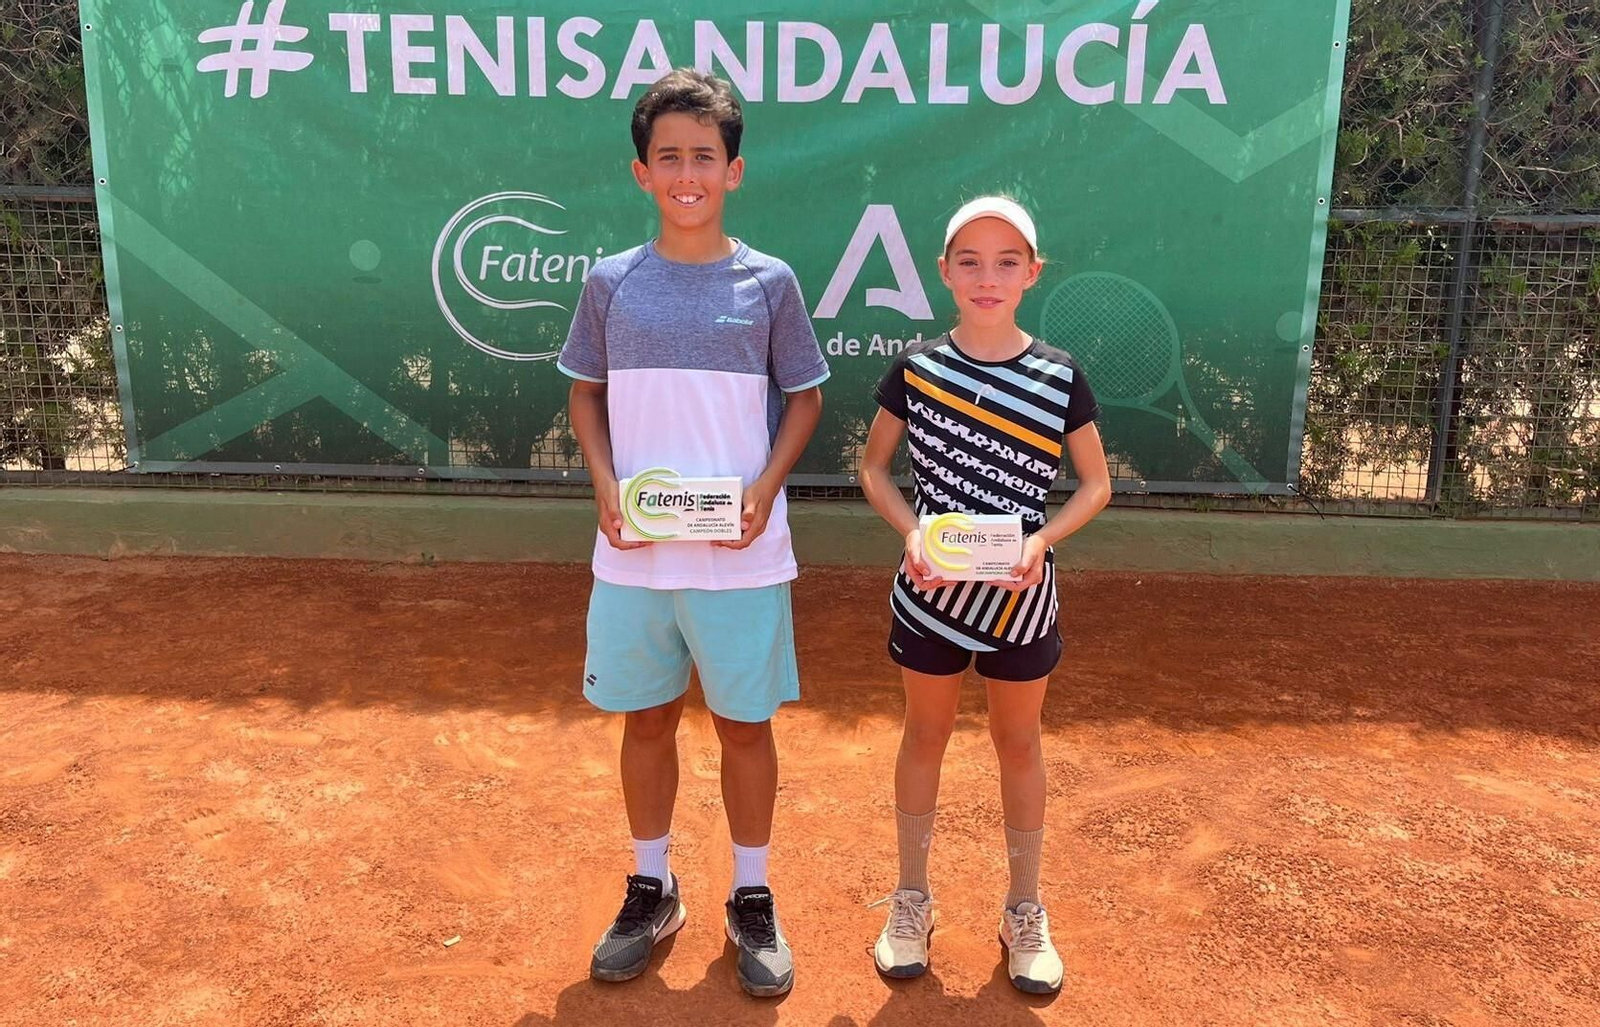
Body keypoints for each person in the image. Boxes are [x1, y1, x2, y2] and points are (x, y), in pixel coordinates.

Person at [556, 68, 828, 998]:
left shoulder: (770, 282)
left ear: (734, 171)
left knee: (745, 728)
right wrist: (602, 482)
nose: (686, 173)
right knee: (647, 719)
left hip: (743, 556)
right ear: (641, 173)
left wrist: (762, 488)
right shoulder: (610, 284)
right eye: (667, 156)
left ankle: (751, 896)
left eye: (703, 157)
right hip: (634, 556)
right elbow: (584, 393)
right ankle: (651, 883)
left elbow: (805, 397)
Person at [857, 196, 1111, 994]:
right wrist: (910, 532)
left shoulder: (1061, 374)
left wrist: (1039, 542)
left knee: (1020, 745)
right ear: (944, 272)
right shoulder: (917, 369)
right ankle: (911, 901)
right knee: (923, 737)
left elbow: (1096, 485)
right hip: (929, 599)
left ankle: (1023, 909)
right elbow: (871, 469)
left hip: (1020, 603)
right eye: (970, 260)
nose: (988, 276)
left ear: (1032, 273)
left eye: (1007, 262)